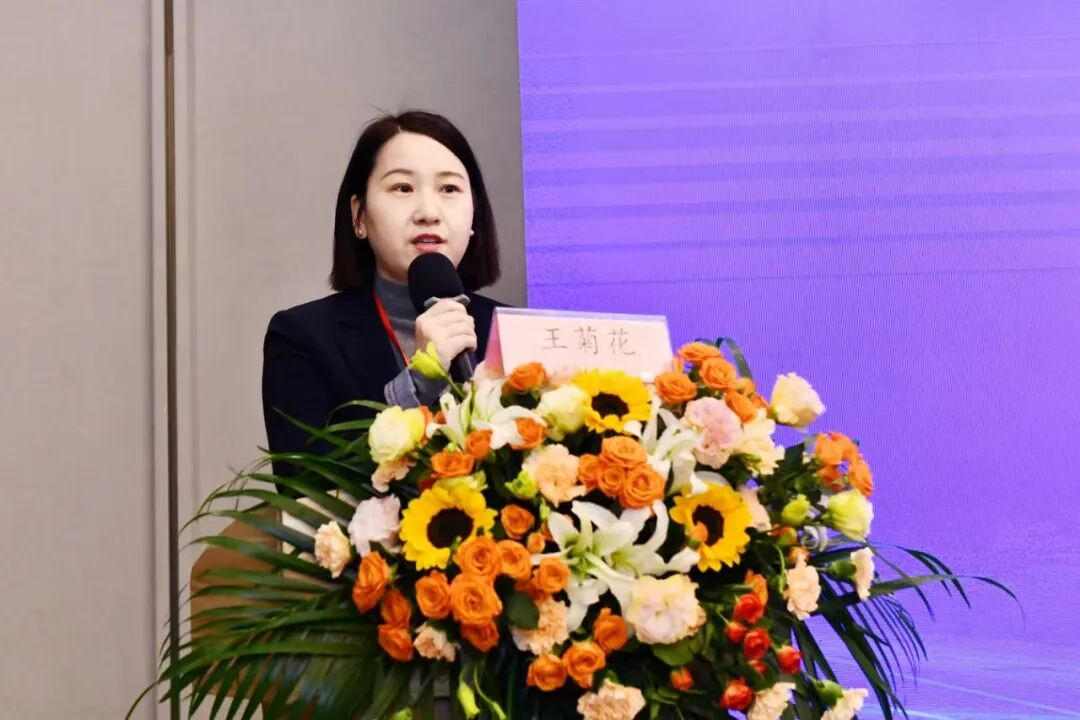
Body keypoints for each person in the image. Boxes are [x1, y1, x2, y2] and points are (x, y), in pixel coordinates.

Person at [261, 110, 505, 477]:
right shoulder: (302, 337)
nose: (428, 212)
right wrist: (419, 382)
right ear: (359, 216)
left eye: (449, 189)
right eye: (403, 188)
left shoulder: (511, 331)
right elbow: (306, 488)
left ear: (474, 215)